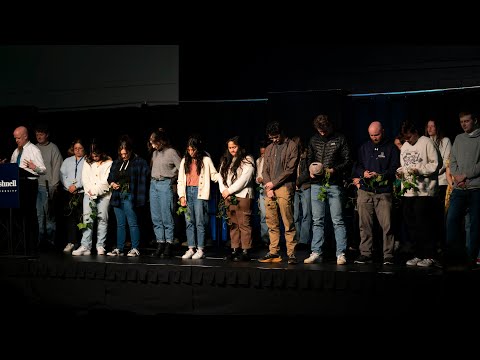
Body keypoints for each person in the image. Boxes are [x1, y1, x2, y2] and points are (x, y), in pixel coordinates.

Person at [304, 114, 351, 265]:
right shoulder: (314, 139)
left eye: (324, 130)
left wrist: (334, 170)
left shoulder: (339, 138)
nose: (322, 133)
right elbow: (309, 158)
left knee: (337, 220)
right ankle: (316, 251)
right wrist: (310, 171)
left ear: (330, 126)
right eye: (319, 130)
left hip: (334, 184)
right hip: (317, 184)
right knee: (317, 220)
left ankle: (341, 253)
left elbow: (347, 160)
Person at [352, 121, 399, 264]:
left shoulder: (391, 148)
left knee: (387, 225)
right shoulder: (364, 147)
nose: (374, 137)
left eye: (376, 134)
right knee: (364, 224)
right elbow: (356, 166)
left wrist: (382, 175)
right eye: (371, 135)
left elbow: (395, 168)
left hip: (383, 191)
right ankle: (366, 253)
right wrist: (363, 173)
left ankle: (388, 254)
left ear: (382, 131)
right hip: (365, 191)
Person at [397, 120, 440, 267]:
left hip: (425, 191)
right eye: (405, 138)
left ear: (415, 132)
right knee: (411, 224)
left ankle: (430, 255)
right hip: (409, 191)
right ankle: (418, 254)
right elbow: (404, 166)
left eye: (409, 137)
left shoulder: (426, 142)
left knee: (424, 224)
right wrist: (400, 173)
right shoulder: (405, 147)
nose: (407, 140)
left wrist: (419, 170)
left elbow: (436, 164)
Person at [258, 121, 299, 265]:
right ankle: (274, 251)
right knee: (271, 222)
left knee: (288, 222)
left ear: (281, 133)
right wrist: (268, 187)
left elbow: (290, 169)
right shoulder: (269, 148)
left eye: (276, 137)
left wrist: (273, 184)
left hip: (284, 187)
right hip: (270, 188)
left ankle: (291, 253)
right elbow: (265, 170)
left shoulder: (292, 146)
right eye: (272, 138)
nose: (274, 140)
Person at [445, 111, 480, 266]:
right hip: (459, 188)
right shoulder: (459, 138)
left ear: (475, 120)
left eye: (467, 121)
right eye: (461, 122)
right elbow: (452, 161)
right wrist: (457, 176)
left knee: (474, 224)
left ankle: (471, 257)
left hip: (476, 188)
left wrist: (465, 175)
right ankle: (453, 255)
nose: (464, 124)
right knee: (451, 220)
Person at [106, 136, 149, 257]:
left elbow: (144, 177)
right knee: (120, 223)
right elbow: (110, 176)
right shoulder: (117, 162)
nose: (123, 155)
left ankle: (135, 247)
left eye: (126, 153)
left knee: (132, 222)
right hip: (117, 195)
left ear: (130, 150)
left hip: (130, 195)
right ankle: (119, 247)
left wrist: (132, 187)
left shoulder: (139, 162)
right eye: (122, 153)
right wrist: (112, 183)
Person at [177, 135, 218, 259]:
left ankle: (200, 249)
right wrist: (181, 196)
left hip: (199, 193)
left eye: (193, 150)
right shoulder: (185, 160)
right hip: (188, 192)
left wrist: (223, 183)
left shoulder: (205, 160)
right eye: (189, 150)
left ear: (198, 149)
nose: (191, 152)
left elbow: (214, 174)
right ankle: (191, 248)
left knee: (200, 222)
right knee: (189, 221)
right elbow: (180, 180)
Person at [10, 126, 47, 255]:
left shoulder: (34, 150)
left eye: (18, 138)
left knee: (30, 216)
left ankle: (32, 247)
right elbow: (14, 169)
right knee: (18, 216)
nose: (16, 140)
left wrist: (34, 167)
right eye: (15, 138)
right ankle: (20, 244)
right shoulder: (16, 151)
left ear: (25, 136)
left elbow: (43, 170)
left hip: (29, 185)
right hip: (17, 186)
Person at [218, 136, 255, 261]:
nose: (232, 150)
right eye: (230, 148)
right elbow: (220, 177)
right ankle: (235, 249)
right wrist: (224, 190)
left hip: (243, 195)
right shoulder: (226, 160)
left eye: (234, 147)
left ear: (239, 146)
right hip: (228, 196)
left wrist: (230, 190)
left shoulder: (247, 160)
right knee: (233, 223)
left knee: (244, 223)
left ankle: (245, 250)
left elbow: (244, 179)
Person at [72, 143, 112, 256]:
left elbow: (105, 181)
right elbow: (85, 178)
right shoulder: (87, 161)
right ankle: (85, 246)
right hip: (88, 194)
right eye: (93, 155)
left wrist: (94, 191)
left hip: (103, 195)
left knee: (102, 219)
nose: (94, 157)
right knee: (87, 219)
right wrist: (89, 191)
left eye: (97, 155)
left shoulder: (108, 163)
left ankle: (100, 245)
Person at [148, 129, 181, 257]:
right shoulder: (155, 153)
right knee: (156, 217)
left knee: (167, 216)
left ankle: (169, 244)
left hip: (165, 184)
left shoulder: (171, 152)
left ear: (161, 141)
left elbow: (181, 169)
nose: (153, 145)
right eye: (151, 143)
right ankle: (160, 243)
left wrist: (172, 181)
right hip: (154, 184)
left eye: (154, 142)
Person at [34, 124, 63, 249]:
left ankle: (51, 241)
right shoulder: (33, 148)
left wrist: (54, 185)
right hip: (36, 187)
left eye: (41, 134)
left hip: (48, 187)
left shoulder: (53, 148)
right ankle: (41, 241)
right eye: (36, 134)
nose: (38, 136)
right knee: (39, 215)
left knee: (49, 215)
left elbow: (58, 167)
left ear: (47, 135)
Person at [60, 138, 87, 253]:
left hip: (81, 193)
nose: (77, 150)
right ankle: (71, 242)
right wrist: (69, 187)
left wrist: (77, 186)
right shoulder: (67, 161)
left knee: (81, 218)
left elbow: (87, 176)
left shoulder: (87, 160)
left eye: (80, 148)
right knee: (70, 218)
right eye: (75, 148)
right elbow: (62, 175)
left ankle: (83, 243)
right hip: (69, 193)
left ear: (84, 149)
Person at [292, 136, 312, 250]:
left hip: (305, 186)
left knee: (306, 214)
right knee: (295, 215)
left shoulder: (306, 155)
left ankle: (304, 241)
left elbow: (307, 171)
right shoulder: (291, 157)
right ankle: (297, 239)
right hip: (294, 188)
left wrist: (298, 182)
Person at [255, 141, 269, 246]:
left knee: (271, 215)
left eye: (264, 153)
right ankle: (265, 239)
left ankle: (274, 239)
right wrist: (258, 179)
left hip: (270, 188)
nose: (262, 155)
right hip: (261, 188)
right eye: (261, 153)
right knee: (263, 215)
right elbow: (256, 175)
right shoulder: (258, 161)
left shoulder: (271, 160)